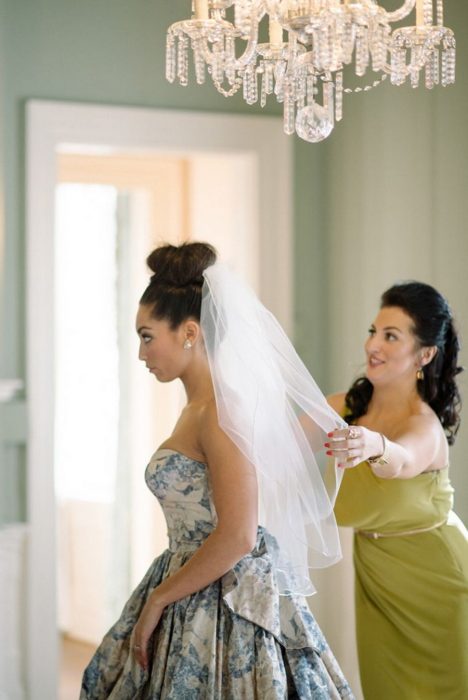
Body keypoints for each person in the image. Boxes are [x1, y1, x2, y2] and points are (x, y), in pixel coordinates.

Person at [80, 242, 355, 699]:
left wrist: (160, 599)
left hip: (227, 600)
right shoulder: (197, 408)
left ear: (189, 332)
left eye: (147, 336)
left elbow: (239, 535)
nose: (142, 353)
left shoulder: (221, 411)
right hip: (192, 581)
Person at [326, 281, 468, 699]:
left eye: (391, 336)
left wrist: (374, 445)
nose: (374, 344)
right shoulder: (346, 407)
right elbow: (279, 440)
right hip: (378, 583)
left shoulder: (424, 426)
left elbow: (400, 461)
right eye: (374, 331)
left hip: (439, 587)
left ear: (424, 355)